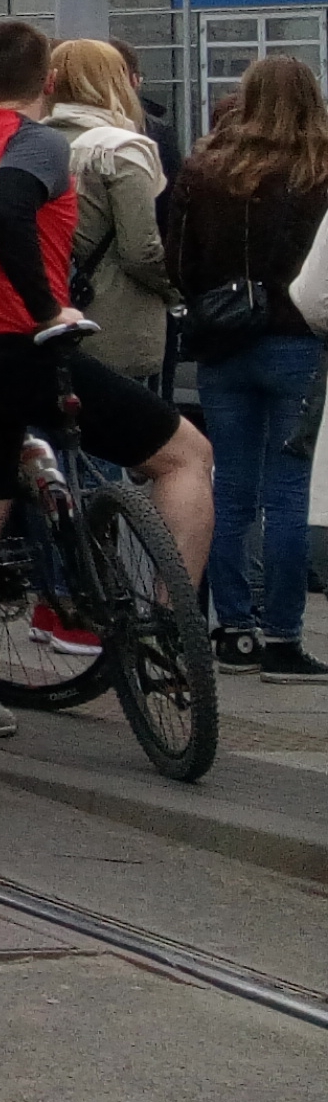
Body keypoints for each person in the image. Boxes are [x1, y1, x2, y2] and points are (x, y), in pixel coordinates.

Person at [0, 17, 214, 745]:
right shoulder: (35, 142)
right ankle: (171, 628)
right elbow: (6, 206)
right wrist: (45, 306)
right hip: (24, 346)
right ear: (49, 82)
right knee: (185, 456)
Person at [164, 51, 328, 681]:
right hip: (298, 341)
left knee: (229, 488)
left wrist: (218, 300)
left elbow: (178, 261)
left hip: (223, 343)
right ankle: (284, 639)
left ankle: (232, 631)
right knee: (287, 492)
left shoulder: (206, 167)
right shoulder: (320, 168)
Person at [42, 40, 175, 396]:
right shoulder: (121, 149)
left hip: (43, 318)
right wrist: (175, 290)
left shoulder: (29, 142)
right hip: (116, 325)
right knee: (126, 425)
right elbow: (140, 251)